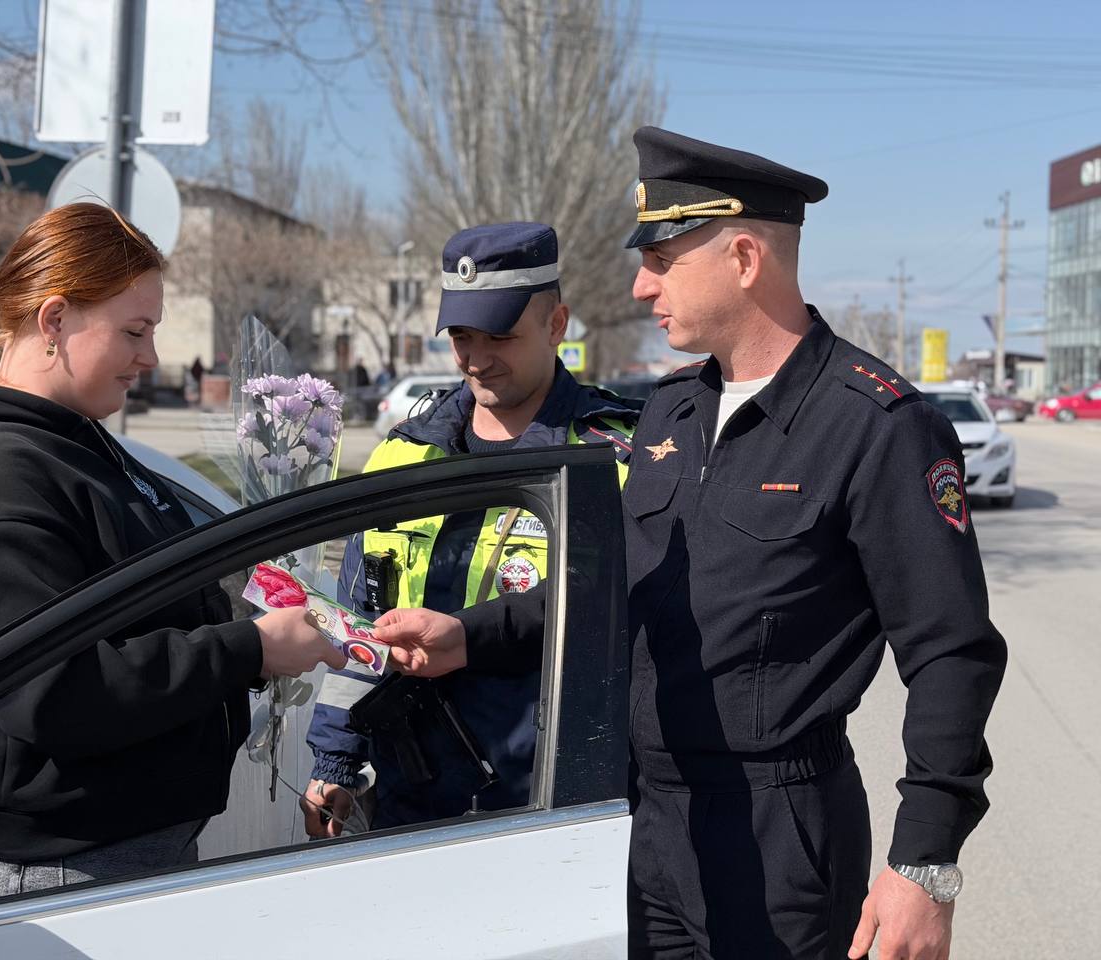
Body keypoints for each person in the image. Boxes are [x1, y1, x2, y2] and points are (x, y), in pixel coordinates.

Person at [373, 129, 1007, 960]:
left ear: (744, 257)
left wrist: (925, 864)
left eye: (662, 259)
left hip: (776, 833)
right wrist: (470, 634)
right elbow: (619, 582)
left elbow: (952, 653)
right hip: (645, 819)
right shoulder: (673, 412)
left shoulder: (877, 426)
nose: (641, 286)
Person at [0, 202, 345, 906]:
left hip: (113, 848)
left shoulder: (72, 443)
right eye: (134, 331)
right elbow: (51, 692)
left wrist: (256, 602)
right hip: (54, 870)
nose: (151, 357)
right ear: (54, 320)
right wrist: (246, 650)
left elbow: (134, 601)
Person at [301, 222, 641, 837]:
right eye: (461, 335)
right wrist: (335, 761)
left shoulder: (609, 457)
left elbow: (622, 613)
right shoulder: (404, 455)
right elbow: (357, 623)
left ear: (557, 325)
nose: (477, 359)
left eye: (501, 336)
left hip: (555, 807)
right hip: (413, 804)